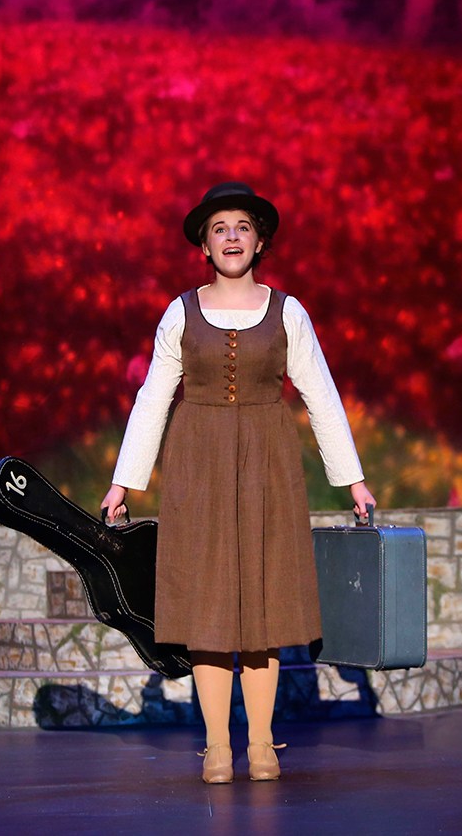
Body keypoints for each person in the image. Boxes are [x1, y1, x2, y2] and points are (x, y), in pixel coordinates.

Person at [100, 182, 375, 783]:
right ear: (204, 243)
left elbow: (321, 396)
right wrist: (125, 482)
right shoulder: (181, 312)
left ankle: (262, 744)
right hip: (197, 462)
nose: (231, 236)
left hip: (268, 464)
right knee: (207, 608)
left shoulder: (288, 311)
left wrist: (351, 479)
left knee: (263, 609)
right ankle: (218, 746)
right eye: (219, 227)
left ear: (259, 241)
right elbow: (152, 400)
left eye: (242, 227)